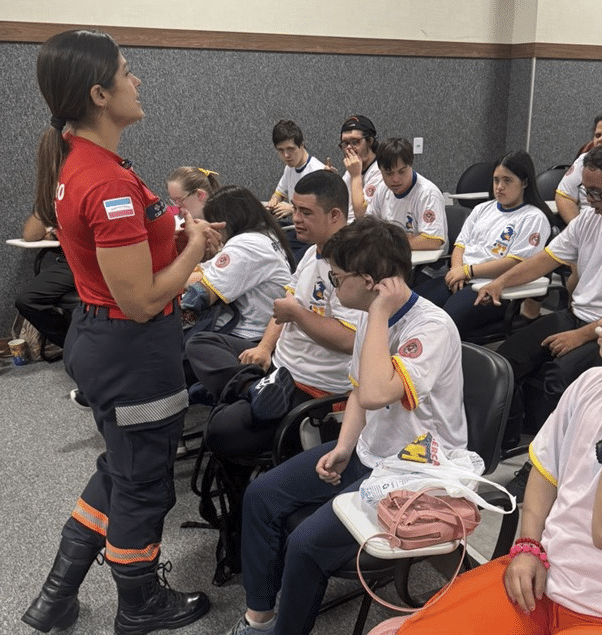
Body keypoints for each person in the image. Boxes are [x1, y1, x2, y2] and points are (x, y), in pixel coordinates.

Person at [388, 254, 602, 635]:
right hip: (544, 581)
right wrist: (527, 545)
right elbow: (545, 470)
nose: (599, 326)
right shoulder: (593, 384)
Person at [22, 29, 222, 634]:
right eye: (128, 72)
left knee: (122, 469)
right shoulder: (104, 182)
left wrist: (181, 236)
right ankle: (139, 604)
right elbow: (138, 300)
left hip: (107, 340)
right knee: (144, 488)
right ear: (99, 94)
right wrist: (192, 247)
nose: (138, 81)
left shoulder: (90, 162)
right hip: (132, 347)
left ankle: (56, 596)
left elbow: (134, 257)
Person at [226, 215, 467, 635]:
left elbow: (375, 392)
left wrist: (377, 316)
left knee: (306, 545)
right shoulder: (371, 318)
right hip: (370, 451)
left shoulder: (431, 328)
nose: (333, 288)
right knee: (262, 495)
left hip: (414, 470)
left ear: (372, 281)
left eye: (338, 279)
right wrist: (343, 446)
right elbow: (358, 392)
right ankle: (260, 620)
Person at [478, 144, 602, 498]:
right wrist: (501, 281)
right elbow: (545, 259)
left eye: (596, 193)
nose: (588, 201)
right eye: (584, 191)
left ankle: (545, 468)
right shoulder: (591, 219)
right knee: (507, 357)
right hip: (577, 316)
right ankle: (502, 441)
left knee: (562, 379)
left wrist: (581, 336)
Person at [185, 170, 360, 459]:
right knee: (200, 344)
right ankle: (250, 387)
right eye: (295, 208)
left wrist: (297, 315)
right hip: (279, 364)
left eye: (305, 212)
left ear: (335, 216)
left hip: (315, 387)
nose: (295, 218)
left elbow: (350, 340)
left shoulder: (350, 264)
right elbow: (285, 306)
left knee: (219, 430)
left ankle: (241, 390)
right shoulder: (311, 253)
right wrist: (265, 347)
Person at [415, 150, 552, 339]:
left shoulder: (533, 217)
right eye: (496, 180)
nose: (500, 187)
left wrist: (468, 271)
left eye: (507, 181)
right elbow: (460, 245)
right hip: (460, 278)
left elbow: (516, 262)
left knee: (442, 325)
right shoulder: (482, 209)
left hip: (494, 288)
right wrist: (457, 270)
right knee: (411, 307)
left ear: (525, 182)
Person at [181, 185, 295, 343]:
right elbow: (205, 273)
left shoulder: (246, 244)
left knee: (189, 342)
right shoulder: (265, 233)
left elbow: (201, 293)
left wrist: (165, 286)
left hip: (249, 332)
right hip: (256, 323)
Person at [366, 137, 448, 251]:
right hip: (394, 257)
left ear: (411, 166)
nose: (395, 179)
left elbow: (433, 241)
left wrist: (391, 246)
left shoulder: (428, 193)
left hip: (426, 264)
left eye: (402, 172)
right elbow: (369, 225)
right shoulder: (382, 189)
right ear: (380, 170)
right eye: (389, 173)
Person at [14, 211, 78, 353]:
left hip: (97, 259)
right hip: (69, 262)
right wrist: (46, 201)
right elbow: (30, 236)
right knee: (26, 300)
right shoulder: (56, 194)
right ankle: (72, 344)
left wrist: (54, 234)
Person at [267, 120, 325, 220]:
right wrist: (274, 200)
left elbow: (321, 211)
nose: (286, 155)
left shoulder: (318, 171)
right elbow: (279, 192)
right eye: (281, 150)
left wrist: (292, 209)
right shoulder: (289, 168)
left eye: (290, 149)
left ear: (302, 145)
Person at [336, 114, 382, 221]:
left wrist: (356, 176)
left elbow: (362, 216)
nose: (349, 148)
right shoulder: (352, 169)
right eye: (345, 143)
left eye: (354, 142)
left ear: (370, 141)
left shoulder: (380, 171)